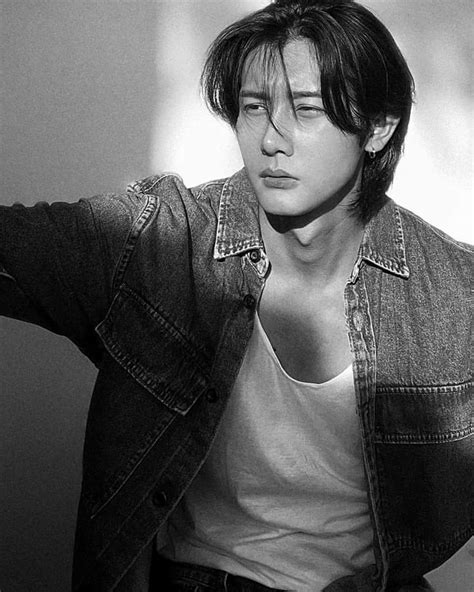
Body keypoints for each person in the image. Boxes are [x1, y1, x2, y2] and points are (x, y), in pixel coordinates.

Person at [0, 0, 472, 590]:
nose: (272, 139)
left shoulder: (453, 296)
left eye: (306, 109)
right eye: (254, 107)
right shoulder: (162, 242)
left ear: (378, 126)